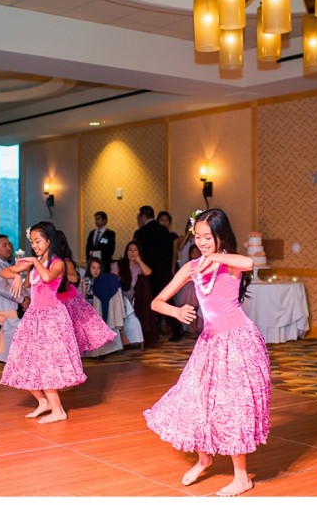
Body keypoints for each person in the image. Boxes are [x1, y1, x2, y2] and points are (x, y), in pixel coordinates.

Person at [143, 208, 270, 497]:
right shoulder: (191, 268)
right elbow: (156, 302)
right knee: (196, 401)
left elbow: (248, 261)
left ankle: (242, 478)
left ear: (220, 236)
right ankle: (204, 459)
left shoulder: (229, 264)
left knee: (232, 406)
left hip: (238, 342)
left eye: (207, 237)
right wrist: (175, 310)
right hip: (210, 343)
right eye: (197, 236)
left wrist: (214, 256)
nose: (201, 242)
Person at [0, 221, 86, 424]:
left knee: (46, 363)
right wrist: (17, 276)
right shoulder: (34, 262)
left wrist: (32, 263)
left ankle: (58, 410)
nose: (35, 245)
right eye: (32, 241)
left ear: (49, 240)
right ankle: (43, 402)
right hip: (34, 317)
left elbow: (47, 277)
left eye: (38, 241)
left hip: (52, 317)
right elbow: (2, 273)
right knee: (22, 360)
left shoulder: (58, 263)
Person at [54, 230, 117, 354]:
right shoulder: (51, 261)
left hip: (67, 301)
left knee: (67, 340)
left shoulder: (65, 262)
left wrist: (58, 278)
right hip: (57, 301)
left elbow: (75, 278)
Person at [134, 205, 182, 341]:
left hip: (150, 273)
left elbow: (141, 253)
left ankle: (150, 332)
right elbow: (170, 253)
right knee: (167, 300)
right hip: (164, 272)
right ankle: (176, 328)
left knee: (150, 301)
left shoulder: (142, 232)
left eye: (140, 218)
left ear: (143, 217)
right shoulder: (164, 231)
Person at [113, 241, 159, 347]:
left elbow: (148, 273)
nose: (132, 252)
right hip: (120, 297)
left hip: (135, 300)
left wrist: (139, 260)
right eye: (130, 250)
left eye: (135, 250)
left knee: (145, 283)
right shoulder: (118, 264)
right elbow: (113, 281)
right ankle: (123, 336)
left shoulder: (139, 267)